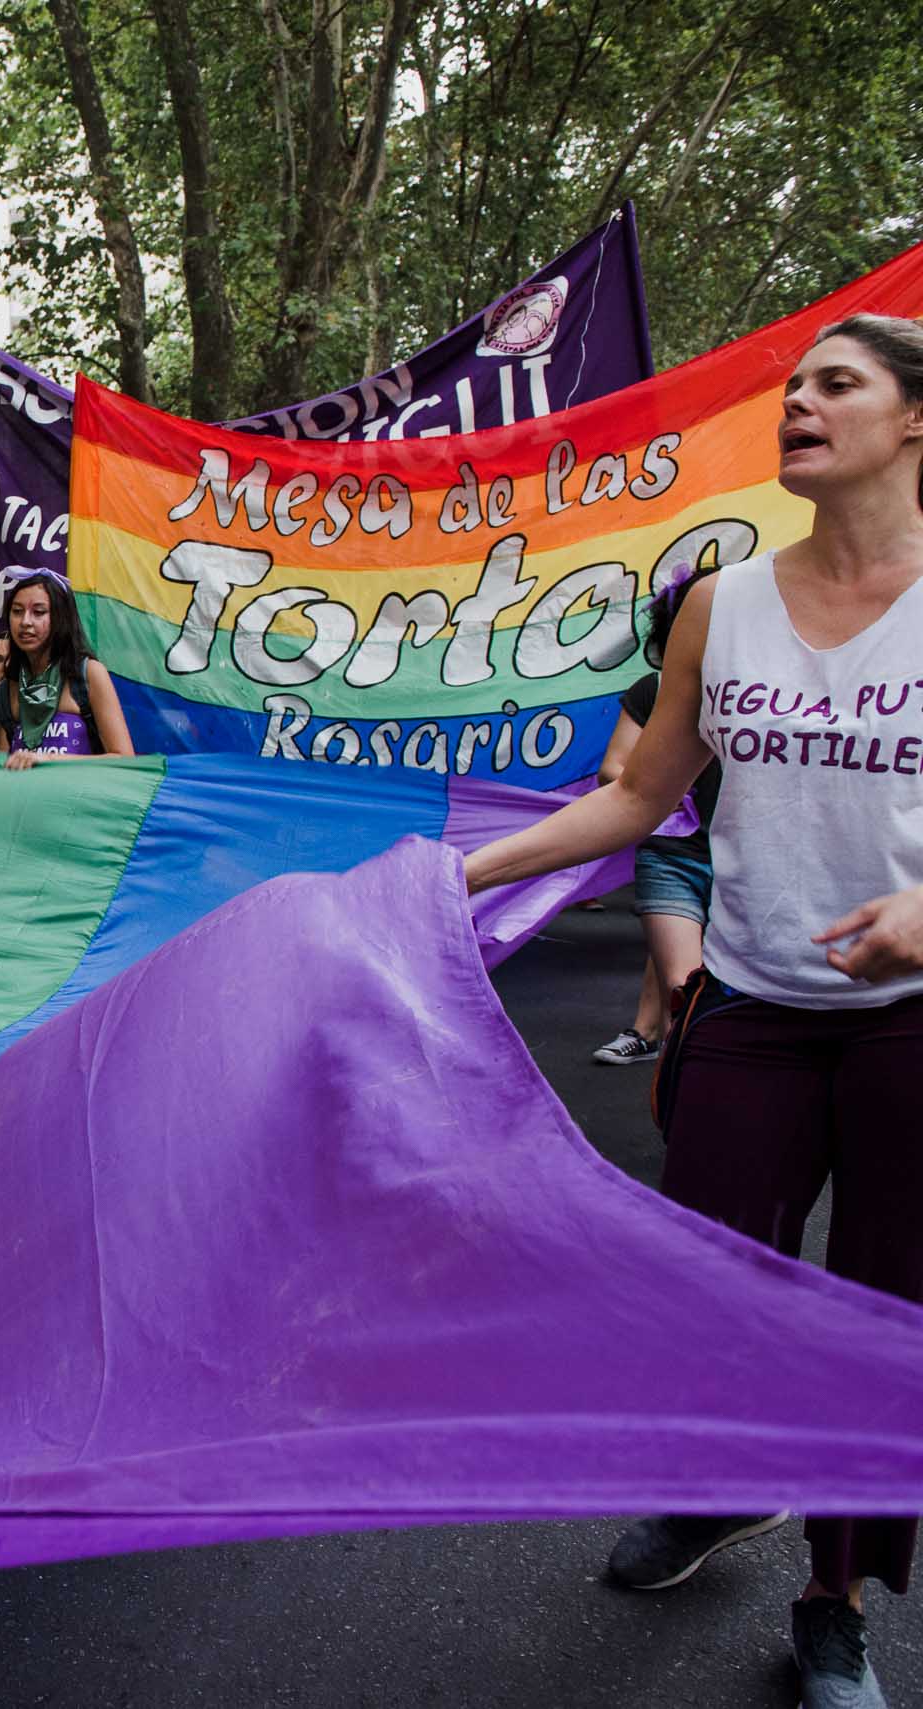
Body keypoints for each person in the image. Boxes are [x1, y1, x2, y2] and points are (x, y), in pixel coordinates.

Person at [463, 314, 923, 1709]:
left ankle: (832, 1604)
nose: (800, 402)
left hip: (911, 1027)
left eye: (835, 385)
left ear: (912, 422)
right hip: (749, 1007)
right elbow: (639, 795)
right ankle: (723, 1487)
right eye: (793, 386)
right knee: (715, 1285)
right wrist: (453, 874)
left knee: (876, 1310)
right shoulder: (719, 601)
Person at [591, 568, 725, 1067]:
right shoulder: (656, 690)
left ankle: (651, 1036)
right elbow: (617, 777)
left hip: (747, 861)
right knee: (687, 994)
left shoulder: (771, 695)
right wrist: (669, 791)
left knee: (713, 1006)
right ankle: (678, 1103)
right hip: (674, 858)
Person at [0, 569, 134, 765]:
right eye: (17, 611)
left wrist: (48, 761)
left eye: (39, 612)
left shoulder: (88, 673)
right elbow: (3, 765)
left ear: (60, 618)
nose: (25, 621)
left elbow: (123, 759)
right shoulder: (7, 689)